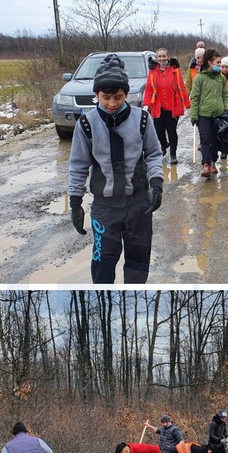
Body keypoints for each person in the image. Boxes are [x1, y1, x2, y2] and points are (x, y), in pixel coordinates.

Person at [67, 53, 164, 284]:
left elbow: (153, 154)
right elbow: (78, 165)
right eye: (106, 97)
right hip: (105, 208)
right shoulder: (86, 124)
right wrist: (75, 202)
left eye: (118, 97)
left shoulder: (142, 119)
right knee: (102, 267)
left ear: (126, 94)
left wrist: (157, 183)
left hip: (138, 205)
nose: (112, 103)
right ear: (96, 95)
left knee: (138, 266)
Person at [144, 48, 190, 165]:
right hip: (158, 107)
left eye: (164, 56)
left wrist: (187, 103)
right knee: (158, 131)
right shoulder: (153, 71)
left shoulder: (175, 70)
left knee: (171, 131)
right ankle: (163, 145)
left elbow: (181, 87)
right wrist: (146, 104)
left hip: (172, 107)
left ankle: (173, 154)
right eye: (159, 56)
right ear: (156, 57)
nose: (162, 59)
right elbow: (149, 88)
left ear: (167, 56)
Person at [189, 48, 228, 178]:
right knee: (205, 139)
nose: (220, 65)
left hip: (218, 114)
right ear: (209, 62)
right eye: (218, 63)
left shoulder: (221, 78)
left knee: (216, 140)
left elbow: (225, 96)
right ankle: (205, 164)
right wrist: (194, 115)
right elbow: (194, 97)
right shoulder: (199, 78)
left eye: (220, 63)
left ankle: (213, 162)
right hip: (204, 114)